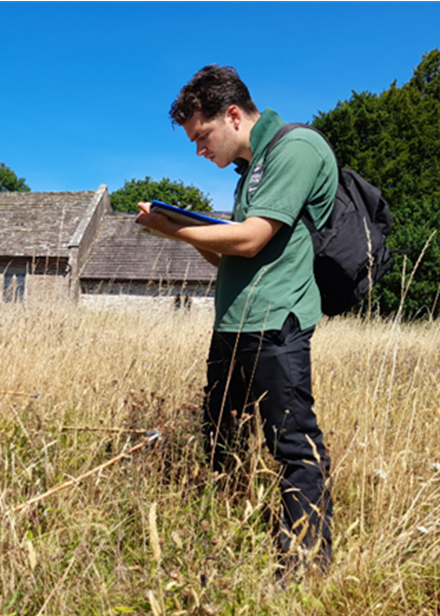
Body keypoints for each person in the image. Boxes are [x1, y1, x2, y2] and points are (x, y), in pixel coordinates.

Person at [137, 65, 338, 573]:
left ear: (232, 115)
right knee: (221, 437)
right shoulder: (252, 170)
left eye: (202, 136)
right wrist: (175, 227)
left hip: (276, 322)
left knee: (292, 444)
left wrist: (175, 231)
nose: (199, 151)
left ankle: (304, 565)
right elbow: (231, 256)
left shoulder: (297, 148)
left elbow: (249, 238)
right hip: (234, 324)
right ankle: (224, 533)